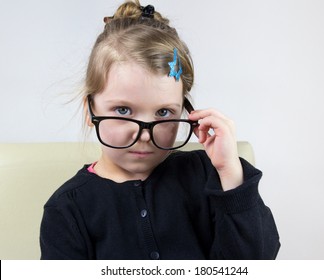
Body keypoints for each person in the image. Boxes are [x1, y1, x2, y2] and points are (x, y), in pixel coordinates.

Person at [40, 0, 280, 260]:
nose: (144, 135)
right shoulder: (67, 208)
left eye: (163, 113)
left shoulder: (207, 174)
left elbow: (257, 261)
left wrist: (230, 174)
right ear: (90, 110)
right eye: (123, 110)